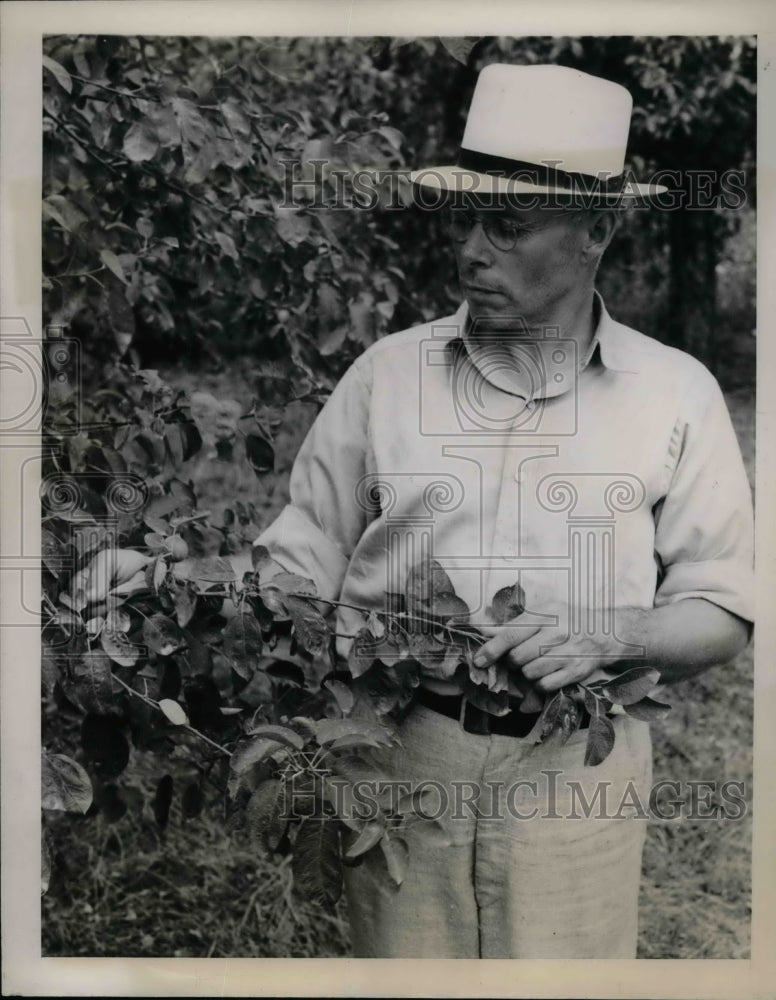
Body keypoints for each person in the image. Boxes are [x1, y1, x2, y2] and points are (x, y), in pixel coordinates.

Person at [80, 64, 753, 958]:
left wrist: (612, 634)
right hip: (400, 759)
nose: (471, 250)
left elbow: (725, 609)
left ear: (598, 227)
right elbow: (297, 567)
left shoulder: (676, 393)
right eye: (463, 219)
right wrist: (166, 580)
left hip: (576, 781)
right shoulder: (388, 376)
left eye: (507, 226)